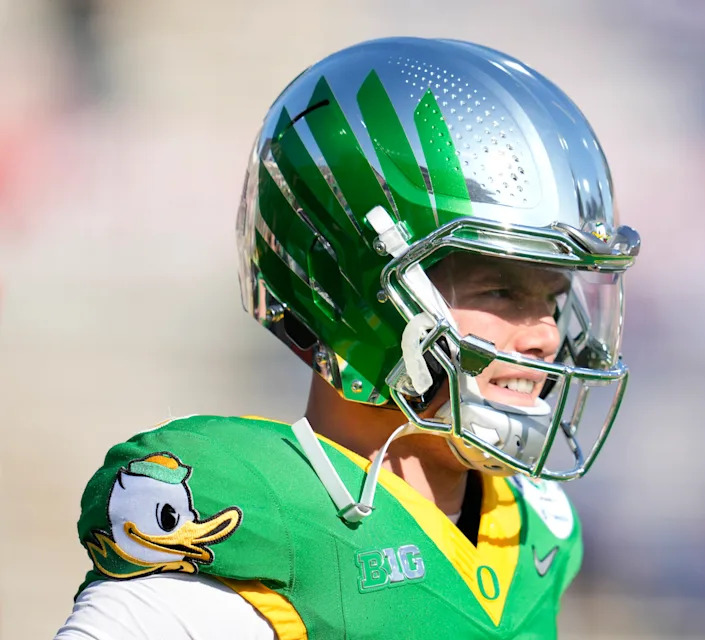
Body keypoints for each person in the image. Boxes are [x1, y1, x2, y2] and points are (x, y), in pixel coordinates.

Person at [55, 37, 640, 639]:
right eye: (500, 292)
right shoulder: (249, 526)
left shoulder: (533, 526)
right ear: (358, 296)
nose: (545, 335)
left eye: (553, 301)